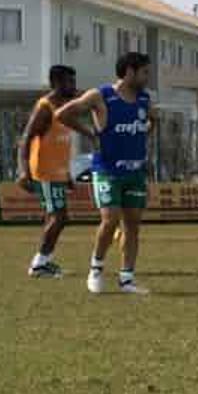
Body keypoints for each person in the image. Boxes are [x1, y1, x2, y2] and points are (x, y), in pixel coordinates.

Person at [52, 52, 156, 295]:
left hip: (135, 171)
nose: (147, 77)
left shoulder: (144, 99)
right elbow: (62, 114)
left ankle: (127, 279)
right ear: (130, 71)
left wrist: (142, 137)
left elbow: (153, 120)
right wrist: (90, 134)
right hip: (107, 170)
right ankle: (96, 270)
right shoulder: (101, 96)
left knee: (133, 225)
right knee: (110, 220)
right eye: (144, 72)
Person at [15, 64, 79, 277]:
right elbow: (26, 138)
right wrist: (23, 171)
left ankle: (45, 261)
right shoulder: (45, 107)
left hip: (57, 172)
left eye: (73, 81)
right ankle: (38, 264)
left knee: (53, 216)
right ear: (56, 83)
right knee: (60, 217)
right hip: (44, 171)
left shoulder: (65, 107)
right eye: (69, 82)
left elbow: (60, 143)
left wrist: (67, 173)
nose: (73, 86)